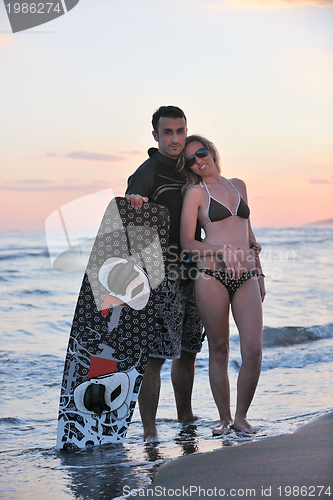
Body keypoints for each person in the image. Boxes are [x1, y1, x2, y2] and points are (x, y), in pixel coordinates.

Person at [125, 106, 204, 440]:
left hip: (194, 273)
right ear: (155, 135)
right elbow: (128, 220)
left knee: (188, 351)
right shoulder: (147, 174)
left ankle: (185, 418)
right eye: (168, 132)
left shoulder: (193, 172)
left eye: (180, 131)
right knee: (155, 355)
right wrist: (133, 203)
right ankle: (149, 430)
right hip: (161, 276)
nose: (175, 138)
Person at [179, 134, 265, 435]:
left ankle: (242, 417)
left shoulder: (238, 185)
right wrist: (218, 251)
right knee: (219, 349)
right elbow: (187, 242)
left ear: (212, 152)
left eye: (201, 153)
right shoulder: (195, 193)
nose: (198, 160)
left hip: (246, 276)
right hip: (211, 276)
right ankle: (225, 419)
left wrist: (260, 272)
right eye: (191, 159)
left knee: (253, 350)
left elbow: (249, 236)